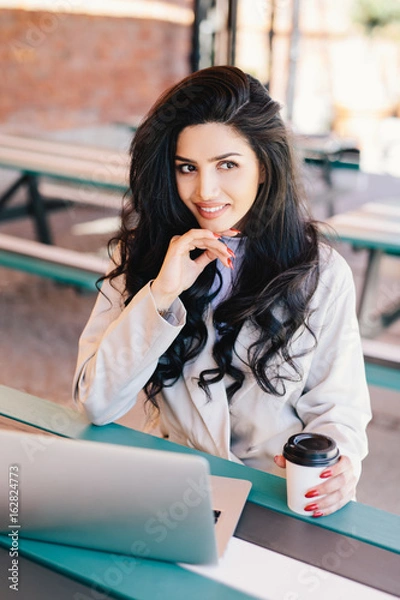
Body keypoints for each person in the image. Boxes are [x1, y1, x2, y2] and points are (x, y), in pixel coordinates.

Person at [73, 66, 371, 517]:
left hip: (277, 500)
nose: (204, 191)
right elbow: (97, 402)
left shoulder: (322, 273)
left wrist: (340, 465)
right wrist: (161, 294)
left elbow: (338, 408)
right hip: (176, 496)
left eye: (227, 165)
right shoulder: (144, 258)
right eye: (187, 168)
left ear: (265, 169)